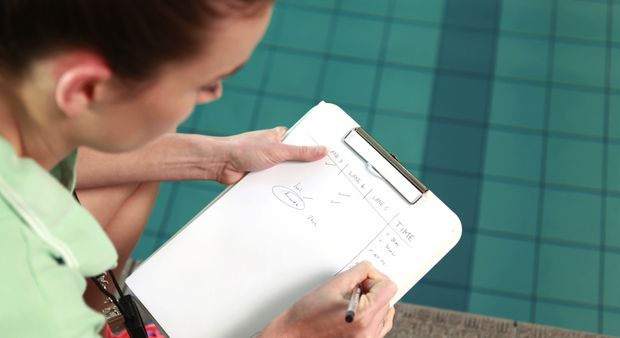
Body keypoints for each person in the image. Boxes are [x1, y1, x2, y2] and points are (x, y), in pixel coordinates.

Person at [0, 0, 397, 337]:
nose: (214, 95)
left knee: (142, 164)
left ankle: (100, 320)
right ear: (83, 89)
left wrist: (219, 157)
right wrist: (292, 331)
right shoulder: (28, 306)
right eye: (205, 83)